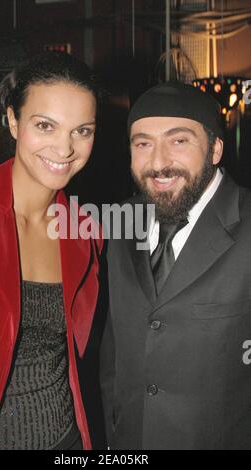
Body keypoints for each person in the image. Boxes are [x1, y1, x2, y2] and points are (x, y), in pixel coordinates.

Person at [0, 52, 105, 450]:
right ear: (14, 121)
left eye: (82, 131)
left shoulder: (86, 232)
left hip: (66, 441)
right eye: (45, 125)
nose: (65, 148)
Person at [100, 81, 251, 450]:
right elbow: (113, 351)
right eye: (143, 143)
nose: (158, 162)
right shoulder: (119, 221)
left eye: (178, 140)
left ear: (215, 148)